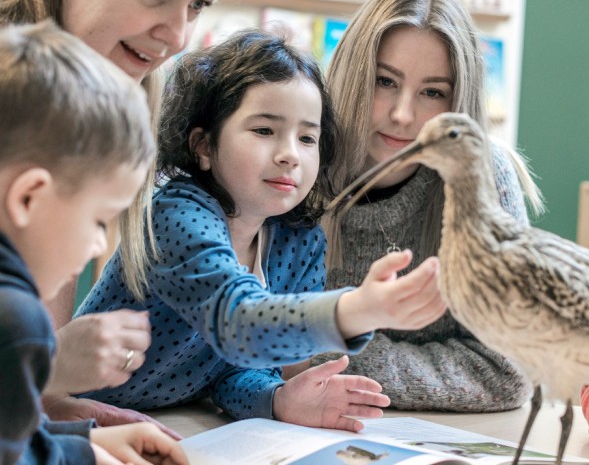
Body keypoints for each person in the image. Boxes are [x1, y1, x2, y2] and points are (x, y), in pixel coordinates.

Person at [75, 29, 447, 430]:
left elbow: (234, 372)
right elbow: (239, 323)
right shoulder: (175, 215)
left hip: (175, 423)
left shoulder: (300, 243)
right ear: (203, 146)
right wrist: (357, 310)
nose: (290, 155)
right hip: (70, 416)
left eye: (307, 137)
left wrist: (278, 399)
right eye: (265, 130)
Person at [0, 0, 233, 428]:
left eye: (199, 5)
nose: (178, 36)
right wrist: (50, 365)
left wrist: (75, 424)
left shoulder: (99, 76)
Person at [310, 0, 544, 412]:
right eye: (384, 81)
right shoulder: (296, 158)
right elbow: (242, 333)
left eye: (432, 92)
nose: (403, 115)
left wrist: (327, 356)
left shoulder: (483, 177)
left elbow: (509, 370)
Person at [0, 20, 189, 465]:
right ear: (29, 197)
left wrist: (86, 445)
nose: (95, 246)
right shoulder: (17, 320)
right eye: (98, 220)